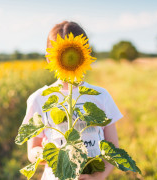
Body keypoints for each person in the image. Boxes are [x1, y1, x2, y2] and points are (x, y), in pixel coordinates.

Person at [22, 21, 123, 180]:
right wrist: (50, 155)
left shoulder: (100, 96)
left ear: (86, 54)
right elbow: (32, 150)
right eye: (62, 54)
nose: (70, 59)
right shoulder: (39, 99)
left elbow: (113, 149)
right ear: (50, 58)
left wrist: (96, 177)